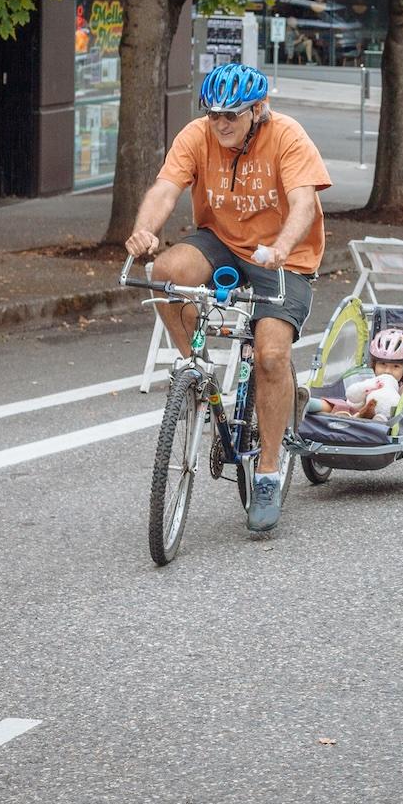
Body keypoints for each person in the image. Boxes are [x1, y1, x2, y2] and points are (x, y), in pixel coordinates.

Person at [125, 62, 330, 533]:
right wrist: (143, 230)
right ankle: (195, 374)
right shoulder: (197, 136)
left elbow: (303, 202)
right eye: (213, 114)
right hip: (221, 241)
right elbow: (165, 189)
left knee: (272, 356)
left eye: (231, 116)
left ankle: (268, 471)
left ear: (258, 110)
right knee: (167, 270)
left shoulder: (288, 136)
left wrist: (281, 247)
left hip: (284, 255)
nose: (220, 124)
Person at [315, 326, 403, 421]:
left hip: (384, 421)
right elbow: (353, 396)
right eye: (382, 364)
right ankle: (310, 404)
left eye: (396, 366)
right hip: (354, 413)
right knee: (340, 404)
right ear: (374, 365)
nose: (387, 371)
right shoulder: (368, 379)